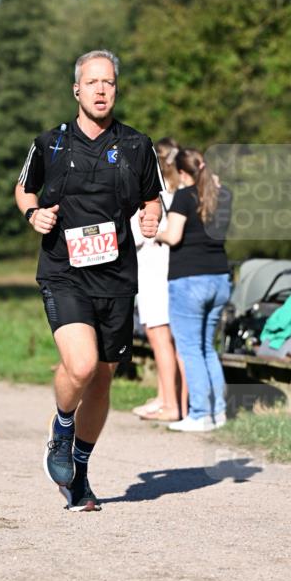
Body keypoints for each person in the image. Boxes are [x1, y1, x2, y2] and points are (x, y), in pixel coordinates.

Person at [15, 49, 163, 511]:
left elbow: (151, 197)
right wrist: (33, 214)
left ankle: (78, 472)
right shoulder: (50, 144)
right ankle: (60, 430)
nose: (102, 90)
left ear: (116, 90)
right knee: (80, 366)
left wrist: (153, 215)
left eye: (110, 83)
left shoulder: (138, 145)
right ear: (76, 90)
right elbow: (24, 188)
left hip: (117, 277)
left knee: (101, 380)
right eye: (93, 82)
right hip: (65, 272)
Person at [156, 147, 231, 432]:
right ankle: (218, 412)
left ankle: (200, 414)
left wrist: (155, 234)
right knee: (207, 348)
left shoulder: (184, 197)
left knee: (190, 349)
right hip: (220, 278)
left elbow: (174, 237)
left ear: (184, 173)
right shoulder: (224, 195)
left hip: (189, 280)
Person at [130, 137, 188, 423]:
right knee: (174, 339)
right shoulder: (181, 193)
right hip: (173, 268)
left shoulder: (154, 196)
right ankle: (171, 399)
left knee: (160, 337)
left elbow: (138, 235)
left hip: (154, 270)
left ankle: (170, 403)